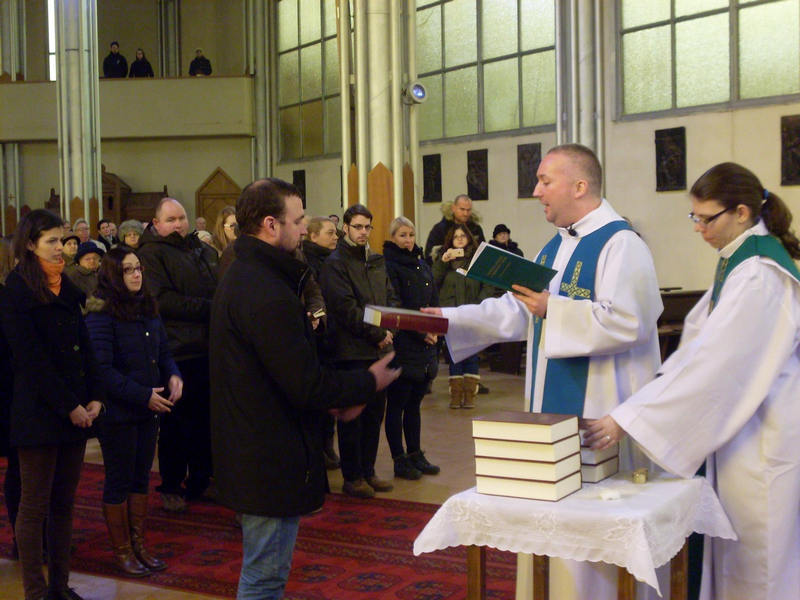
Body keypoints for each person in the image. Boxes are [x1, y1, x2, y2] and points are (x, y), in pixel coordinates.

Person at [425, 144, 662, 600]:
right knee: (553, 527)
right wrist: (449, 319)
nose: (536, 192)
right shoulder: (555, 245)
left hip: (600, 409)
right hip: (552, 415)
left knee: (596, 539)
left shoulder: (621, 244)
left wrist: (555, 307)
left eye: (545, 181)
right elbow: (518, 312)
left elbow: (632, 320)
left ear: (580, 186)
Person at [586, 162, 800, 600]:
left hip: (763, 432)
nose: (698, 229)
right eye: (694, 218)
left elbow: (715, 367)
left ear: (741, 212)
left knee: (758, 554)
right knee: (740, 549)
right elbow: (697, 347)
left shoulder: (758, 273)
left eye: (706, 219)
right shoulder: (739, 261)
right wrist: (642, 402)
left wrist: (630, 418)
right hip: (746, 426)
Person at [210, 178, 399, 600]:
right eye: (297, 221)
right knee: (264, 576)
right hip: (265, 452)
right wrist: (367, 381)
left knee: (269, 572)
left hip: (263, 442)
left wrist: (333, 404)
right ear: (270, 225)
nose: (302, 230)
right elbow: (303, 380)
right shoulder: (263, 289)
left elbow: (278, 374)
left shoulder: (252, 275)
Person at [0, 209, 104, 600]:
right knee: (34, 507)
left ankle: (60, 588)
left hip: (75, 411)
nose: (61, 248)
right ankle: (36, 592)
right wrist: (69, 406)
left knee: (63, 504)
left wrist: (95, 397)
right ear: (30, 244)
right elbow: (30, 360)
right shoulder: (16, 291)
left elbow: (85, 348)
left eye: (62, 240)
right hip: (39, 413)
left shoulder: (66, 288)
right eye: (52, 241)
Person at [85, 247, 181, 577]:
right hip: (118, 412)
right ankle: (123, 551)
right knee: (120, 480)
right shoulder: (101, 312)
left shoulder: (147, 306)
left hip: (147, 409)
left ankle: (139, 545)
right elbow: (102, 370)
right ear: (113, 274)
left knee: (141, 478)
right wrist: (143, 396)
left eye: (138, 268)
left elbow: (164, 352)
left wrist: (174, 375)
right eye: (127, 270)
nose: (136, 274)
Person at [137, 198, 218, 512]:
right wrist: (211, 308)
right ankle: (171, 483)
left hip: (207, 347)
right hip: (176, 350)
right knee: (176, 423)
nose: (178, 224)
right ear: (156, 224)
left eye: (182, 218)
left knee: (205, 420)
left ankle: (201, 479)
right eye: (171, 219)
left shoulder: (201, 250)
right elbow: (162, 300)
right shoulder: (150, 253)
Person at [319, 204, 400, 499]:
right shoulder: (335, 263)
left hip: (378, 348)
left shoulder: (376, 260)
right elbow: (345, 308)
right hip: (351, 350)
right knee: (353, 417)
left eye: (367, 227)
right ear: (346, 228)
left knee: (374, 416)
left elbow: (390, 298)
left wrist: (390, 330)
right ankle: (352, 476)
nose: (363, 232)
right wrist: (377, 334)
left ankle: (369, 470)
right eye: (357, 227)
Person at [382, 217, 440, 480]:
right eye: (402, 235)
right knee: (397, 404)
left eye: (411, 235)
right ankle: (399, 459)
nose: (408, 240)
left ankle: (415, 453)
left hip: (425, 343)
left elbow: (433, 298)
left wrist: (435, 327)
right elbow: (397, 305)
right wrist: (420, 332)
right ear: (393, 237)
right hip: (404, 342)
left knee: (415, 403)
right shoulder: (389, 265)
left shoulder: (421, 263)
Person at [432, 224, 493, 409]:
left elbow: (488, 285)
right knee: (455, 354)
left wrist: (480, 306)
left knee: (472, 355)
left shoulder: (477, 261)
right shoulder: (444, 260)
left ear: (469, 239)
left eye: (463, 236)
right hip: (451, 316)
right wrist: (443, 261)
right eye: (455, 236)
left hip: (472, 314)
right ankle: (456, 395)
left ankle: (469, 396)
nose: (459, 238)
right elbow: (432, 282)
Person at [301, 216, 341, 469]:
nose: (335, 237)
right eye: (330, 233)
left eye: (336, 233)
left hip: (332, 333)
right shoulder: (307, 260)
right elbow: (313, 295)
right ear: (313, 236)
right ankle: (319, 447)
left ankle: (328, 444)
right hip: (316, 335)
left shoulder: (335, 260)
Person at [423, 194, 485, 262]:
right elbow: (429, 255)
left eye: (468, 210)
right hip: (446, 266)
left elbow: (483, 252)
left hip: (471, 266)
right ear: (453, 208)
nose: (465, 213)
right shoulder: (440, 229)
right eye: (462, 209)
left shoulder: (476, 229)